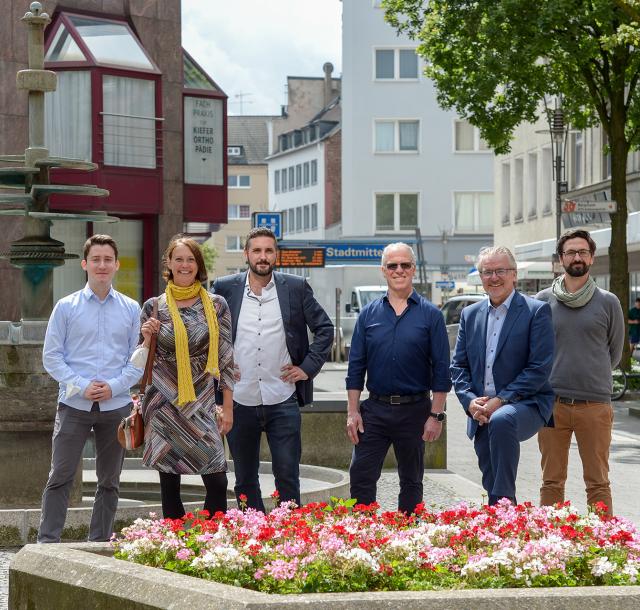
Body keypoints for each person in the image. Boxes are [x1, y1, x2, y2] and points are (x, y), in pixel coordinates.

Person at [213, 227, 333, 511]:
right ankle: (255, 536)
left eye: (268, 250)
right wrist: (221, 367)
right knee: (244, 480)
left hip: (282, 397)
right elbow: (207, 334)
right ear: (246, 254)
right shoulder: (224, 288)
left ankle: (289, 539)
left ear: (276, 254)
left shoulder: (295, 287)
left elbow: (325, 329)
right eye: (257, 250)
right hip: (239, 399)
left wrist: (307, 368)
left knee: (288, 477)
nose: (263, 256)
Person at [38, 235, 142, 543]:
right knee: (60, 477)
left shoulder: (131, 308)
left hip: (117, 407)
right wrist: (84, 386)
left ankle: (99, 543)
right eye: (95, 259)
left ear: (116, 265)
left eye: (107, 260)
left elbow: (137, 361)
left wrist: (113, 387)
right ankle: (48, 543)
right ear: (85, 264)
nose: (101, 265)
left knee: (109, 481)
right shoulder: (65, 307)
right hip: (74, 405)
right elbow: (51, 357)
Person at [346, 242, 451, 514]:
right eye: (393, 265)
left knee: (412, 481)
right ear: (384, 270)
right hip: (375, 411)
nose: (399, 270)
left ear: (413, 269)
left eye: (405, 264)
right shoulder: (368, 314)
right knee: (361, 476)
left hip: (415, 411)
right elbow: (356, 367)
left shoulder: (431, 315)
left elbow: (442, 369)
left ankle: (405, 538)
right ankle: (364, 534)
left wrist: (436, 415)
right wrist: (352, 411)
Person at [138, 235, 234, 519]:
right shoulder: (153, 306)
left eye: (190, 259)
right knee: (169, 483)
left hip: (202, 400)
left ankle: (211, 542)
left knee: (218, 480)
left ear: (198, 264)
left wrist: (227, 407)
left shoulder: (217, 305)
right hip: (163, 401)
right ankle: (175, 545)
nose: (184, 265)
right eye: (178, 259)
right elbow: (139, 359)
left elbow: (227, 359)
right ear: (168, 263)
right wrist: (146, 336)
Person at [450, 246, 555, 506]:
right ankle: (502, 512)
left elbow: (539, 368)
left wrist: (501, 400)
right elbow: (458, 366)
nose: (494, 277)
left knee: (502, 420)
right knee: (489, 467)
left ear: (514, 275)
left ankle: (504, 506)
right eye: (487, 272)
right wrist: (470, 401)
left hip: (526, 402)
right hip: (481, 407)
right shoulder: (469, 314)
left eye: (500, 271)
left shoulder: (536, 311)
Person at [537, 229, 624, 513]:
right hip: (551, 404)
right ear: (561, 258)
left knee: (598, 482)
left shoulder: (608, 301)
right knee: (551, 481)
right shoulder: (542, 300)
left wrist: (590, 374)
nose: (577, 257)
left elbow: (614, 351)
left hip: (595, 405)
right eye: (571, 252)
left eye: (582, 252)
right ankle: (551, 546)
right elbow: (534, 350)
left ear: (592, 257)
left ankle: (605, 547)